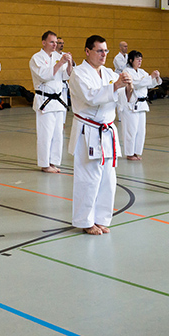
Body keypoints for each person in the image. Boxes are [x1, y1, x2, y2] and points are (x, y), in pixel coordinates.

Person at [67, 35, 132, 235]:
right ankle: (85, 221)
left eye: (106, 51)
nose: (104, 54)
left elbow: (122, 99)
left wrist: (128, 86)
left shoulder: (109, 72)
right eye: (99, 51)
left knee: (108, 179)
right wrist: (116, 86)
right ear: (87, 51)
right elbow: (91, 97)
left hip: (107, 130)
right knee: (88, 178)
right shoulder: (78, 73)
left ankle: (101, 219)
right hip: (88, 130)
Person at [31, 31, 73, 173]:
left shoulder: (58, 57)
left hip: (58, 101)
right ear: (44, 43)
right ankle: (44, 164)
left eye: (56, 42)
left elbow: (66, 76)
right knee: (45, 134)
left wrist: (69, 63)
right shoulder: (36, 58)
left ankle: (54, 162)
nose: (55, 45)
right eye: (51, 42)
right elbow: (44, 76)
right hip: (45, 101)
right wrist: (61, 62)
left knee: (57, 134)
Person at [119, 50, 160, 160]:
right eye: (137, 59)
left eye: (141, 59)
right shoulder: (126, 71)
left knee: (141, 131)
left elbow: (150, 84)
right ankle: (129, 153)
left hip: (142, 105)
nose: (140, 61)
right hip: (131, 105)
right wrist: (150, 77)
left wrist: (156, 78)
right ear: (131, 60)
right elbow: (135, 84)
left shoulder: (142, 72)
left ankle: (137, 152)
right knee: (131, 130)